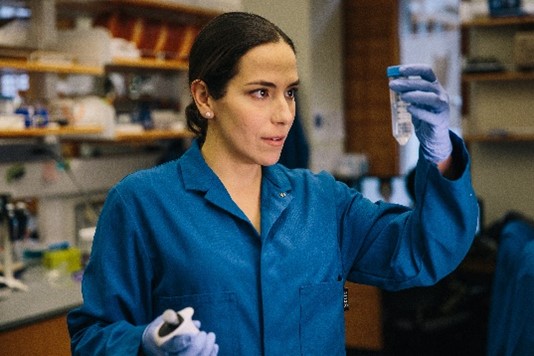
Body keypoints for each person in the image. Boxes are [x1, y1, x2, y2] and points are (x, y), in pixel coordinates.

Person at [67, 11, 479, 355]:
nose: (284, 114)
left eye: (290, 93)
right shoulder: (142, 204)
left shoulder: (322, 202)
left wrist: (440, 152)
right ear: (205, 97)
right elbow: (93, 335)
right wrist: (143, 344)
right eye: (261, 93)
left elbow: (424, 252)